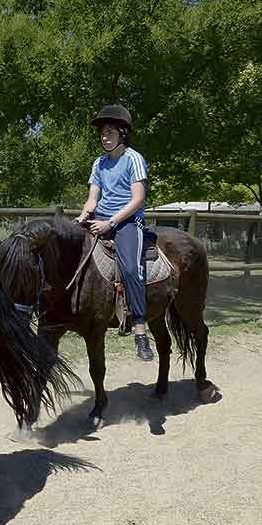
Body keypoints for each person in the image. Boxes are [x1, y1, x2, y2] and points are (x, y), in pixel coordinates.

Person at [74, 104, 154, 361]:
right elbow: (92, 199)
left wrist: (110, 223)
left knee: (130, 268)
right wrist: (83, 217)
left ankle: (140, 328)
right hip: (99, 218)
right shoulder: (99, 163)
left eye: (109, 132)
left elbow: (138, 199)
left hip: (127, 222)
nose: (104, 137)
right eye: (102, 133)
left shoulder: (134, 159)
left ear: (122, 133)